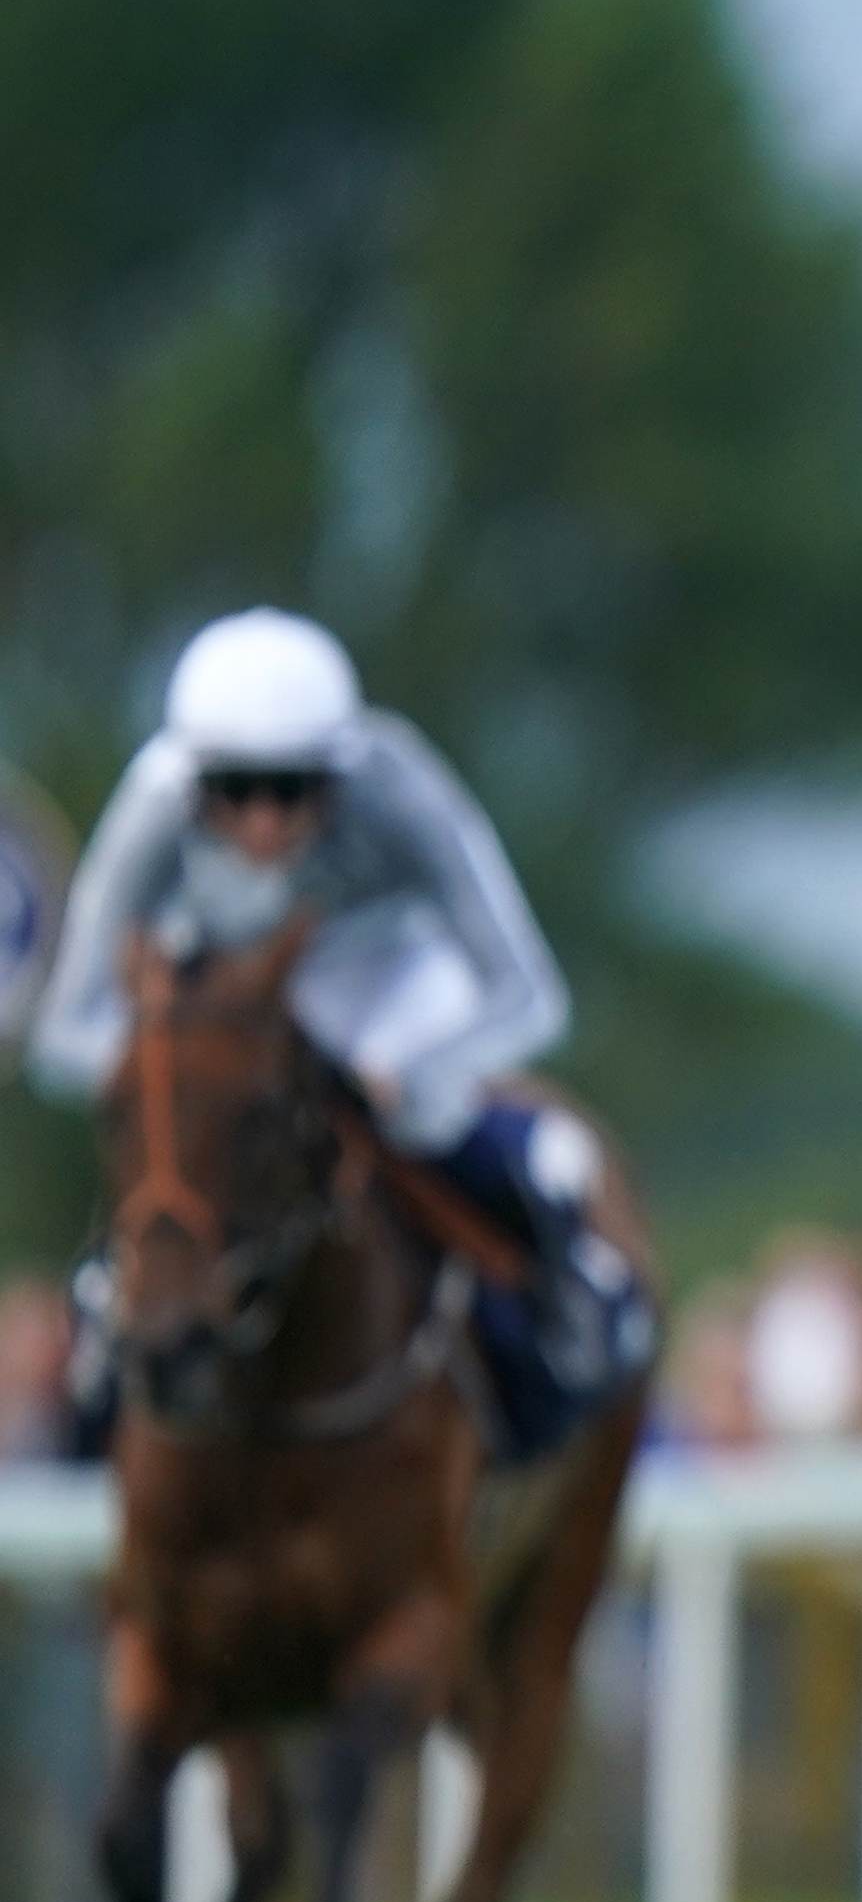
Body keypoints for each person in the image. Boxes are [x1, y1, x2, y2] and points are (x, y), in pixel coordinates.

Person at [26, 608, 645, 1452]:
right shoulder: (151, 810)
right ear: (194, 779)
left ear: (336, 776)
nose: (262, 822)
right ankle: (101, 1358)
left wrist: (409, 1067)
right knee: (171, 1155)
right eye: (233, 789)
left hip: (390, 994)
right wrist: (186, 1075)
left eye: (291, 790)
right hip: (233, 1009)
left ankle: (560, 1298)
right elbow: (65, 1028)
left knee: (430, 1124)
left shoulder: (404, 792)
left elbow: (528, 992)